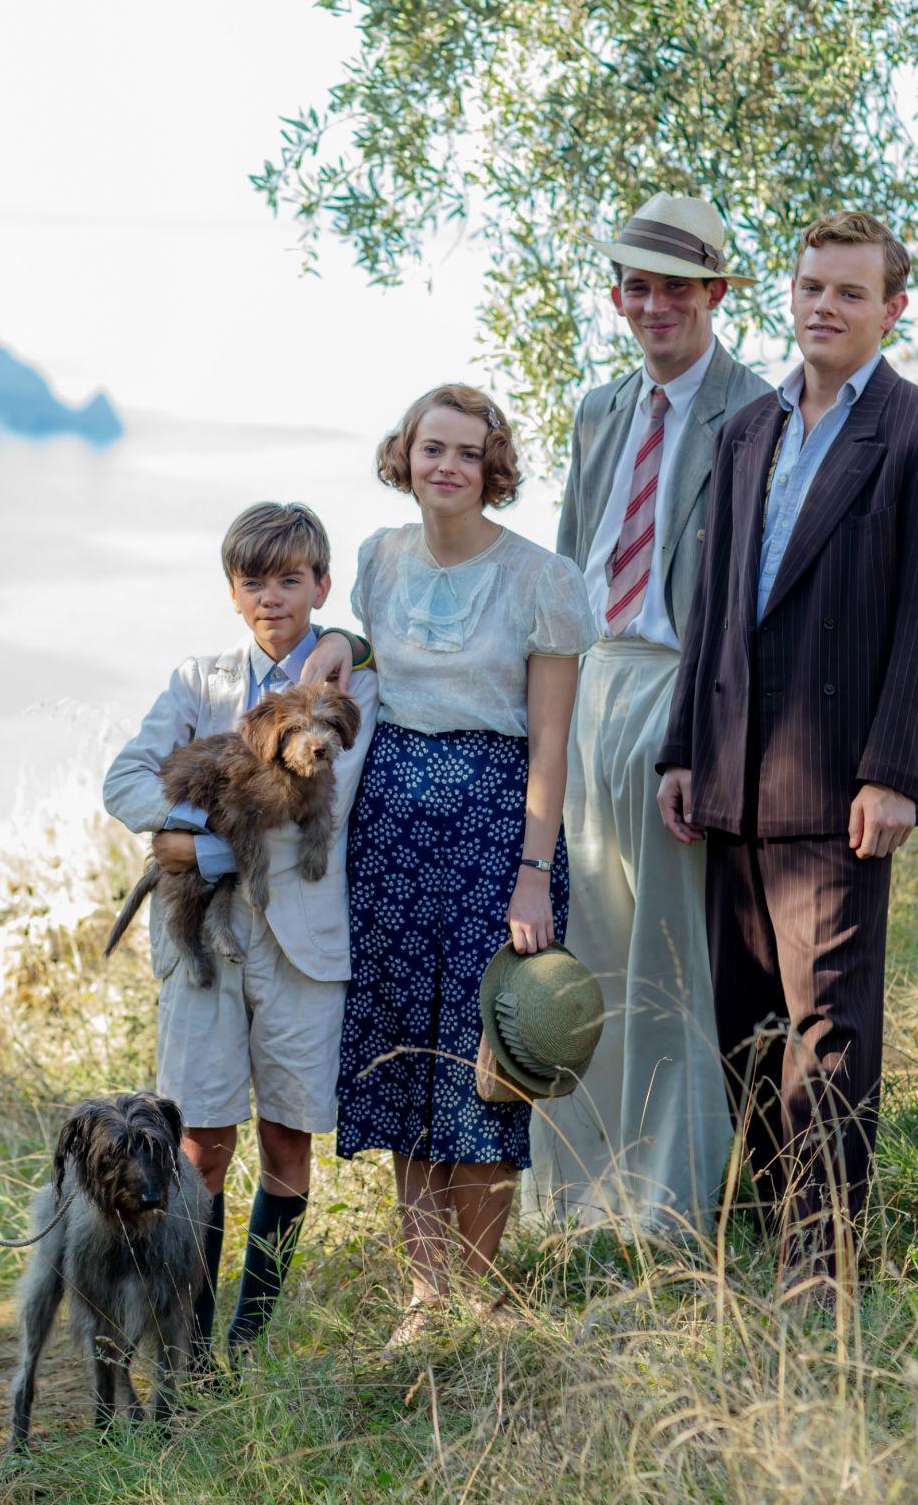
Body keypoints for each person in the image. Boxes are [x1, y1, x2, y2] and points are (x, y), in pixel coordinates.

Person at [655, 212, 918, 1293]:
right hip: (731, 775)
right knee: (741, 1034)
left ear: (892, 310)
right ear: (787, 295)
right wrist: (678, 752)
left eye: (847, 292)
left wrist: (894, 772)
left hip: (840, 782)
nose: (822, 307)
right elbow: (709, 610)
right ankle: (768, 1234)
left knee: (826, 1036)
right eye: (808, 287)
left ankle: (823, 1266)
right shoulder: (744, 432)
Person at [334, 385, 598, 1351]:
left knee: (486, 1062)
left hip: (497, 828)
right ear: (402, 455)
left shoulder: (543, 579)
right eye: (429, 447)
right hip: (392, 831)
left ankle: (481, 1300)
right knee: (406, 1059)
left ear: (494, 468)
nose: (445, 465)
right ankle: (423, 1293)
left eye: (467, 452)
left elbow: (552, 744)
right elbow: (373, 666)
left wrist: (534, 869)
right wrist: (333, 639)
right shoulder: (377, 559)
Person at [528, 195, 772, 1239]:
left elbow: (755, 592)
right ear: (614, 295)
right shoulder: (596, 411)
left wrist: (709, 736)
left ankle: (666, 1205)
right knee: (582, 953)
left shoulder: (754, 411)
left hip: (681, 685)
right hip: (586, 685)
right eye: (636, 284)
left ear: (716, 294)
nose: (654, 303)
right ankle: (579, 1198)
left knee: (669, 956)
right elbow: (569, 568)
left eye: (677, 285)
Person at [102, 503, 378, 1366]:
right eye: (253, 581)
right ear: (231, 591)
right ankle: (193, 1345)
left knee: (289, 1137)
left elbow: (314, 810)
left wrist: (196, 845)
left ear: (321, 586)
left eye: (290, 580)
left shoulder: (351, 684)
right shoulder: (199, 680)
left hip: (303, 940)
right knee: (201, 1139)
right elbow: (123, 779)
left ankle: (248, 1338)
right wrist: (178, 822)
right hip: (204, 944)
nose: (271, 598)